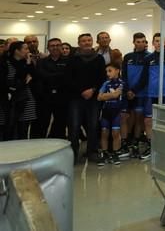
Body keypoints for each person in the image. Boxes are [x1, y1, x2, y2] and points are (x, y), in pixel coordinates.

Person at [67, 33, 105, 163]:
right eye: (84, 41)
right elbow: (68, 79)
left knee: (93, 125)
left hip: (93, 98)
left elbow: (102, 77)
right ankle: (73, 153)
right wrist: (82, 91)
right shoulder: (72, 59)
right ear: (79, 43)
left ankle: (92, 151)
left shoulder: (99, 58)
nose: (87, 43)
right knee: (74, 126)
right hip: (76, 98)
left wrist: (93, 90)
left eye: (89, 40)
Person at [140, 33, 165, 160]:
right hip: (151, 93)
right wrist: (133, 90)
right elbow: (144, 77)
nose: (158, 43)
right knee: (148, 120)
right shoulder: (148, 58)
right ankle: (152, 146)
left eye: (161, 41)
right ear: (152, 43)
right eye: (156, 41)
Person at [34, 38, 70, 139]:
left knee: (60, 124)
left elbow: (68, 77)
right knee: (42, 124)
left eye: (58, 45)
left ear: (61, 47)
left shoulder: (69, 61)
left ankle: (56, 148)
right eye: (52, 46)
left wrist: (50, 76)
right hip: (45, 97)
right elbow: (41, 76)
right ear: (48, 48)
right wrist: (60, 75)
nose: (55, 47)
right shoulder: (41, 62)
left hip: (62, 97)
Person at [1, 41, 37, 139]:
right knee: (9, 127)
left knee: (24, 129)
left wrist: (29, 62)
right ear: (17, 51)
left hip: (26, 98)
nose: (28, 51)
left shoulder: (26, 62)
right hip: (10, 100)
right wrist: (23, 81)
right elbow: (6, 82)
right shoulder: (5, 62)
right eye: (25, 49)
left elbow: (32, 76)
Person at [122, 32, 150, 158]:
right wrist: (128, 90)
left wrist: (134, 90)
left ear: (145, 43)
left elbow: (146, 77)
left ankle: (137, 141)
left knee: (139, 118)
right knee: (129, 118)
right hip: (128, 94)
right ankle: (128, 143)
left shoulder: (149, 57)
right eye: (138, 41)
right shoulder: (128, 57)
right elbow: (124, 75)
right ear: (133, 42)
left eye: (143, 41)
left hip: (142, 93)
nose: (140, 44)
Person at [97, 62, 124, 166]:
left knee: (115, 133)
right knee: (104, 132)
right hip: (106, 111)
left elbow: (118, 94)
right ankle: (104, 153)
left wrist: (106, 95)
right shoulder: (106, 83)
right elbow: (99, 97)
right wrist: (112, 95)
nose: (107, 73)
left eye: (110, 71)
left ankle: (115, 153)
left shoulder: (122, 83)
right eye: (106, 71)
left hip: (117, 111)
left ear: (117, 70)